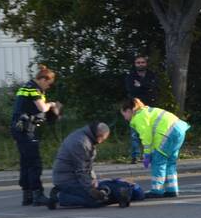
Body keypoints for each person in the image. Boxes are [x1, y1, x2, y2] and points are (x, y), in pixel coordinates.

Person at [10, 65, 62, 206]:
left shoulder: (28, 87)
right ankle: (37, 195)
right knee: (34, 163)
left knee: (26, 162)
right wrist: (51, 105)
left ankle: (27, 195)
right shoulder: (32, 88)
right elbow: (41, 107)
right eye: (48, 84)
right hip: (25, 130)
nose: (48, 87)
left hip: (21, 129)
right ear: (43, 79)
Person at [48, 122, 133, 209]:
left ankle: (108, 192)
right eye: (103, 139)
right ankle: (59, 196)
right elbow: (81, 170)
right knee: (93, 201)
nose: (102, 142)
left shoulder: (86, 137)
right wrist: (91, 189)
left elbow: (88, 165)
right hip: (67, 180)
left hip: (75, 176)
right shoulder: (81, 143)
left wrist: (93, 180)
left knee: (99, 194)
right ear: (99, 136)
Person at [121, 98, 190, 198]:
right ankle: (172, 190)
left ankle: (157, 190)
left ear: (128, 110)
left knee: (158, 162)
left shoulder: (139, 117)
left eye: (124, 115)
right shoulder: (148, 111)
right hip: (179, 129)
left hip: (166, 133)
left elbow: (146, 137)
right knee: (171, 161)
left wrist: (147, 154)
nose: (125, 118)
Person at [123, 55, 158, 163]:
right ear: (135, 64)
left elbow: (155, 88)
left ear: (146, 63)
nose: (140, 64)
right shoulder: (130, 76)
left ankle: (149, 154)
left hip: (150, 107)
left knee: (151, 131)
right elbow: (131, 90)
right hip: (135, 108)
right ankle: (135, 156)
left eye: (142, 62)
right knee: (135, 133)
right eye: (138, 62)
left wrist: (141, 85)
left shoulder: (152, 75)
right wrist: (146, 87)